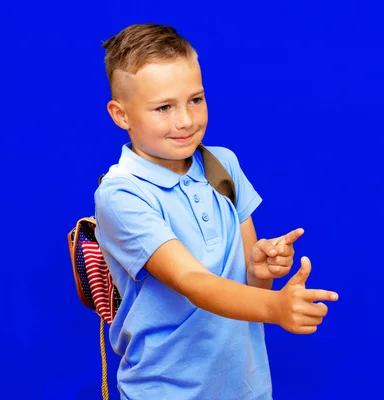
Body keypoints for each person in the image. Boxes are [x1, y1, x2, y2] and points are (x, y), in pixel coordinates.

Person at [93, 23, 339, 400]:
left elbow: (244, 290)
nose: (186, 121)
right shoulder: (121, 193)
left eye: (195, 99)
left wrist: (259, 270)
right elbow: (194, 281)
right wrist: (275, 307)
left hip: (245, 387)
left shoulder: (222, 164)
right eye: (164, 107)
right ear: (120, 114)